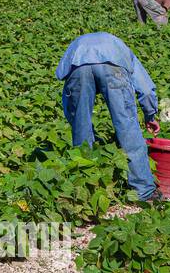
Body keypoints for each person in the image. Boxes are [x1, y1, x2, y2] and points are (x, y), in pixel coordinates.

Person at [56, 32, 163, 202]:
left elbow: (70, 105)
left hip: (78, 65)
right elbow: (146, 88)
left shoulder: (78, 43)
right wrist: (150, 115)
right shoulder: (122, 48)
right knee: (127, 126)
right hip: (114, 66)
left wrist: (77, 122)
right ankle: (143, 191)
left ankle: (85, 186)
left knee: (81, 128)